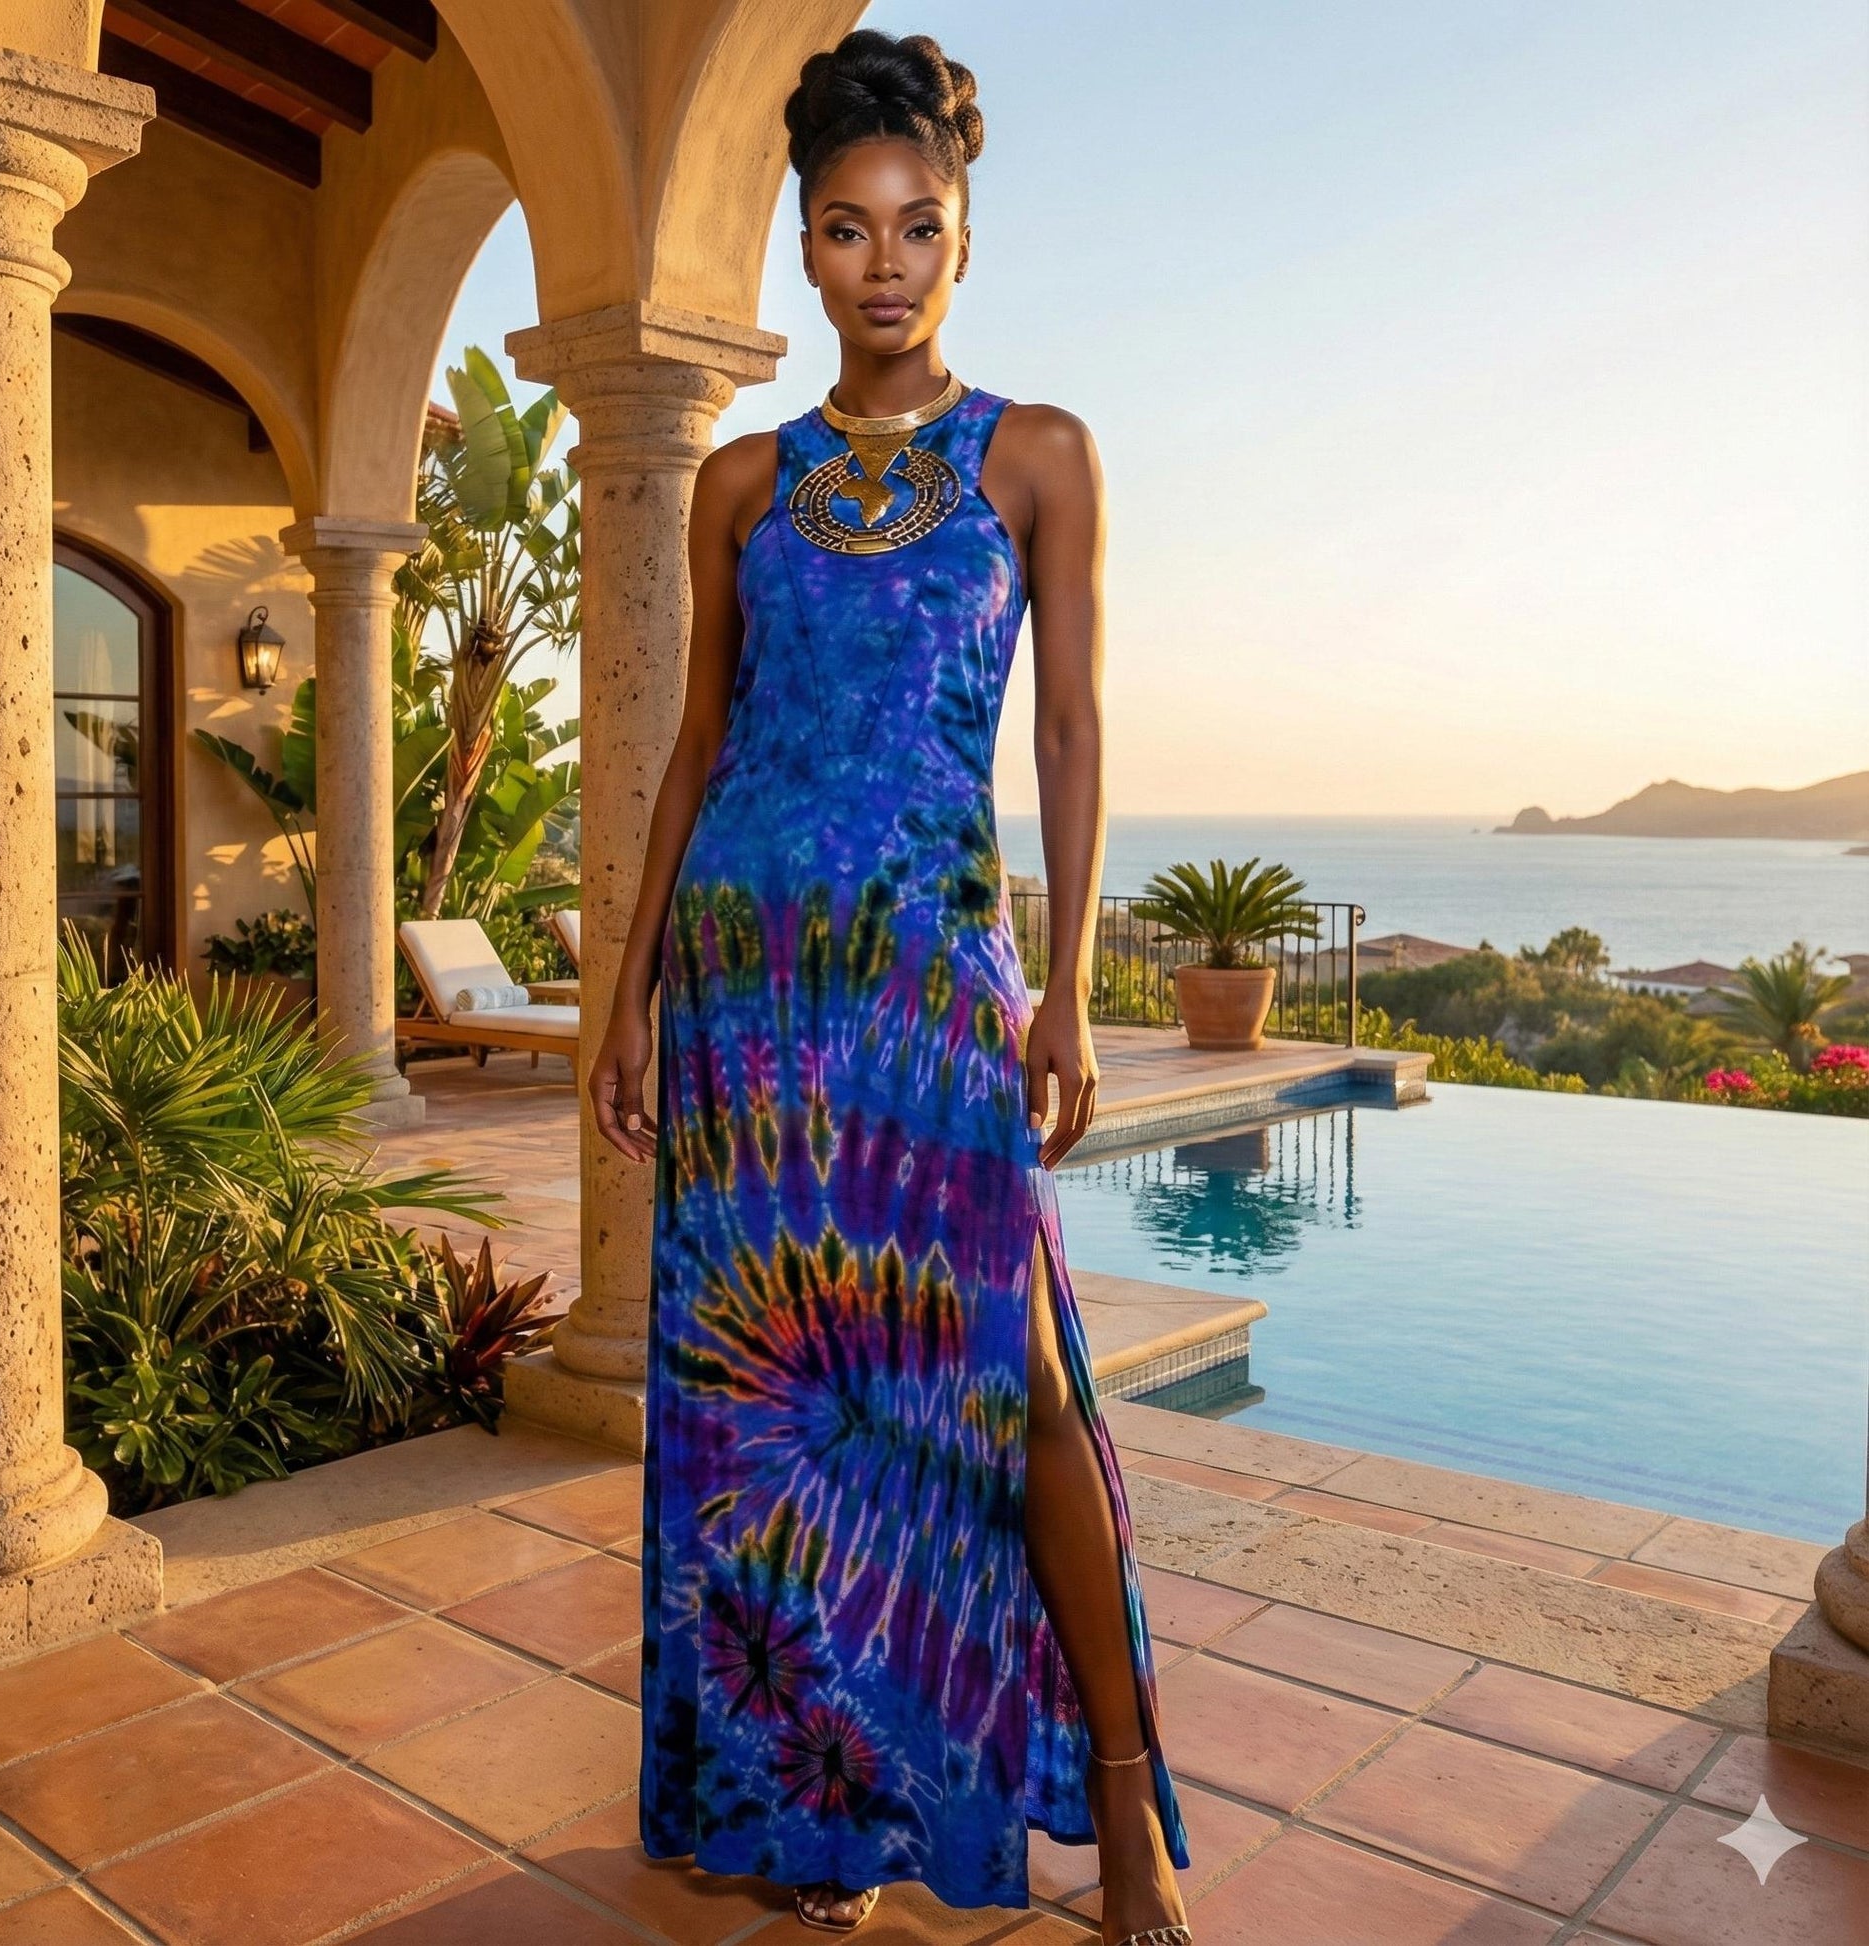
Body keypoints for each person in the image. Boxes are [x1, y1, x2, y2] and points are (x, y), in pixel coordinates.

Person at [586, 29, 1193, 1945]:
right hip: (746, 998)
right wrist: (622, 998)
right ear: (802, 241)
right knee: (774, 1411)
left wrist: (1071, 989)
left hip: (932, 985)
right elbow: (697, 750)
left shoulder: (1037, 457)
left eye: (916, 226)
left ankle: (1126, 1819)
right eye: (843, 229)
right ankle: (819, 1803)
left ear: (962, 232)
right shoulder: (740, 481)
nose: (881, 263)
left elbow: (1077, 734)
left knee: (1013, 1390)